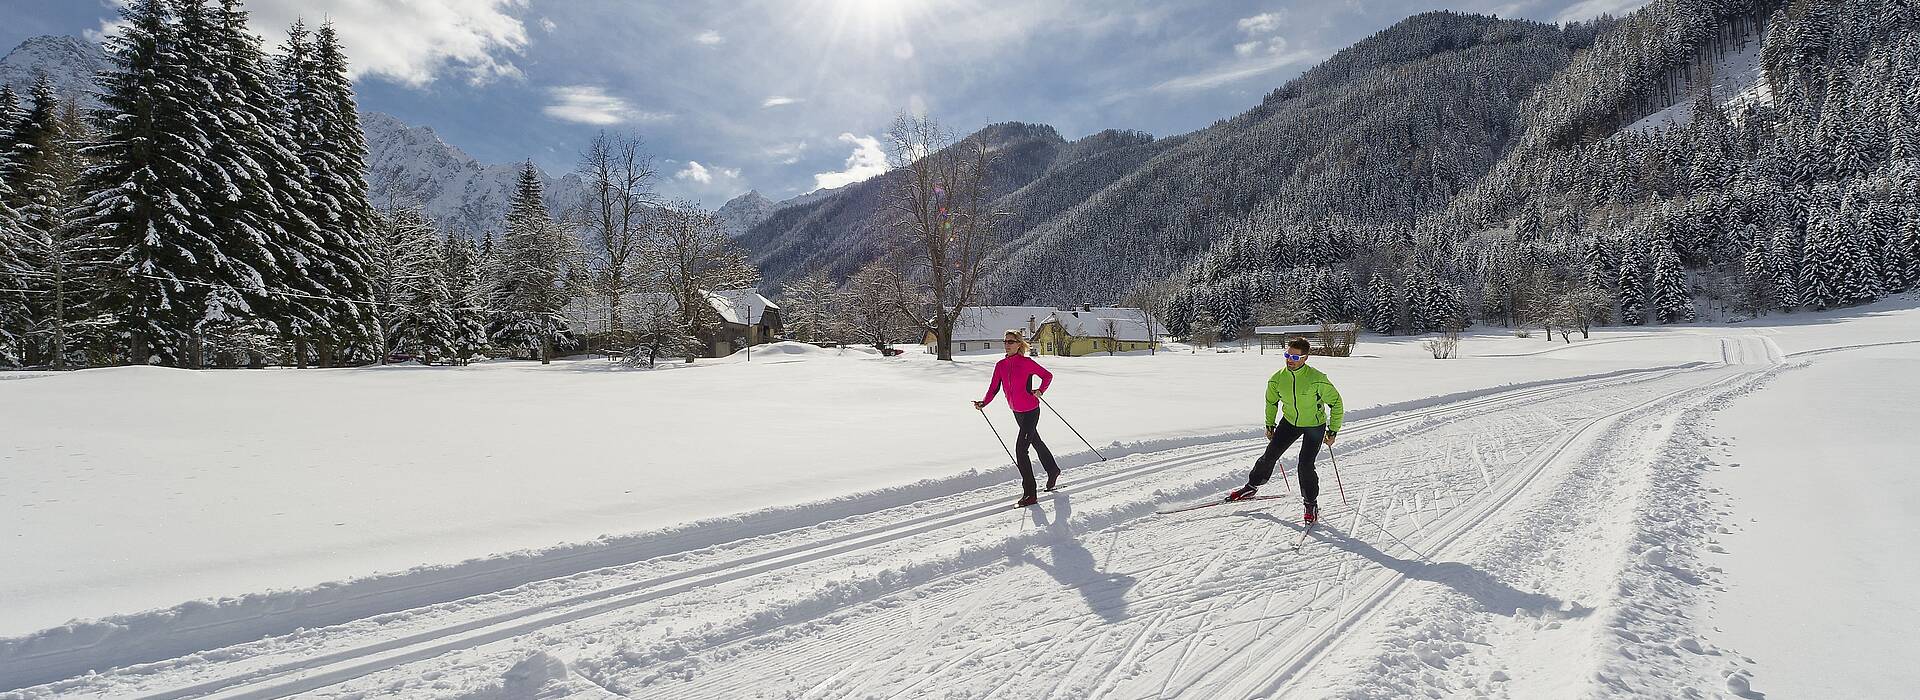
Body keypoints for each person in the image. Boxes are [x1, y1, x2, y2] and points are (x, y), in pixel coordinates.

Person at [1226, 336, 1344, 523]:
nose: (1290, 360)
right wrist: (1270, 424)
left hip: (1314, 425)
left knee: (1305, 465)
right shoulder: (1277, 378)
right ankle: (1251, 486)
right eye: (1287, 355)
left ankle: (1311, 503)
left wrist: (1333, 431)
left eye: (1296, 357)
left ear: (1305, 358)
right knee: (1269, 456)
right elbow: (1271, 402)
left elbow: (1336, 403)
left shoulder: (1317, 379)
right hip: (1289, 422)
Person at [974, 330, 1060, 506]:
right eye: (1005, 341)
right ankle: (1053, 470)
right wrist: (984, 402)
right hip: (1016, 411)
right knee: (1035, 441)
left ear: (1019, 344)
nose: (1007, 344)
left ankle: (1030, 493)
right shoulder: (1000, 365)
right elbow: (993, 388)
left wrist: (1040, 391)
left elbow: (1047, 376)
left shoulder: (1026, 363)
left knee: (1021, 450)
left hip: (1031, 410)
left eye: (1011, 341)